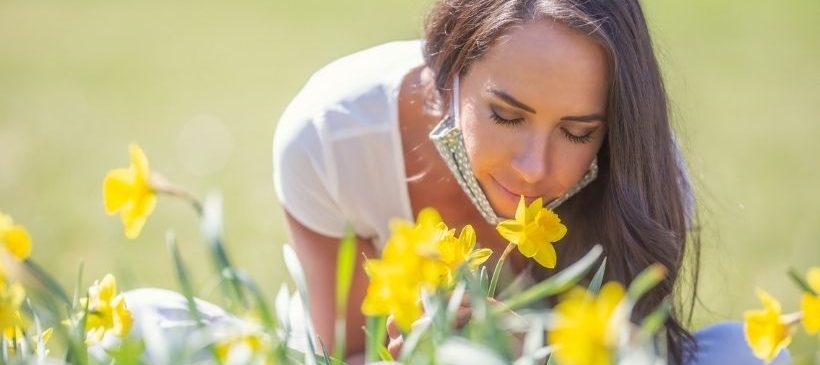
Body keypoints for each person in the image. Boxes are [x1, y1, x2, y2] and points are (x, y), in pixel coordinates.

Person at [272, 1, 792, 364]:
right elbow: (345, 353)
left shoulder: (644, 178)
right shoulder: (331, 134)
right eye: (505, 115)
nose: (533, 168)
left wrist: (531, 344)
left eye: (577, 131)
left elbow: (641, 354)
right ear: (449, 64)